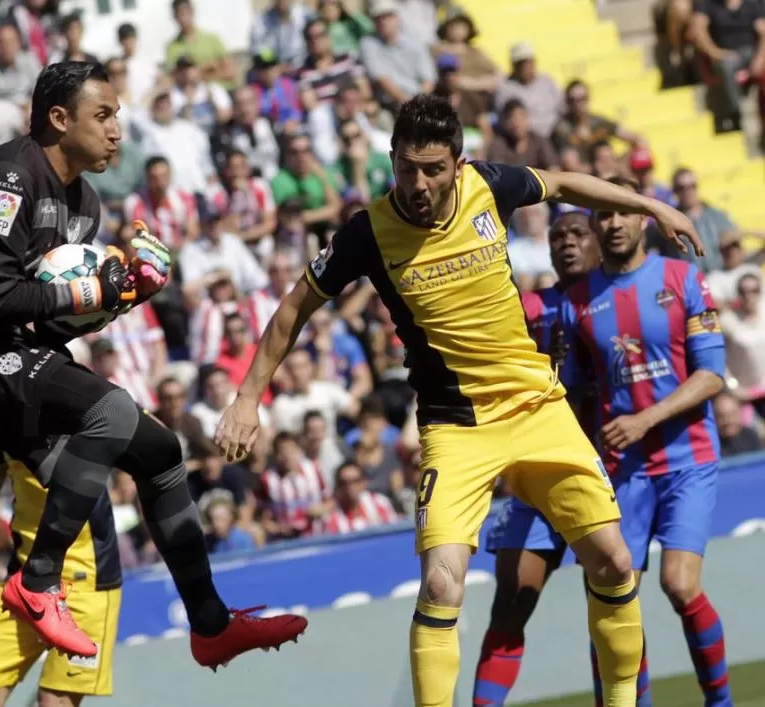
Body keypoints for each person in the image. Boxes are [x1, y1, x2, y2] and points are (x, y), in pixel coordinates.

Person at [215, 93, 704, 707]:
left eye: (434, 169)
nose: (418, 184)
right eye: (407, 168)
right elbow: (293, 308)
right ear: (391, 159)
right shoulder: (368, 232)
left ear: (458, 163)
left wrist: (651, 205)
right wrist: (246, 400)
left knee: (612, 560)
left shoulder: (488, 186)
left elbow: (561, 183)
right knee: (442, 583)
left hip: (536, 407)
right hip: (457, 427)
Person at [0, 61, 306, 664]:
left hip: (8, 350)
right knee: (111, 412)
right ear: (59, 120)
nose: (118, 130)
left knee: (161, 450)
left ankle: (211, 625)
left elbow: (53, 320)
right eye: (104, 115)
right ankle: (36, 583)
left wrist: (123, 296)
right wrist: (91, 291)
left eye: (117, 114)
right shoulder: (9, 178)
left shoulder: (85, 203)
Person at [558, 176, 731, 707]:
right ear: (593, 224)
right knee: (613, 603)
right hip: (620, 471)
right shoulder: (577, 301)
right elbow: (568, 388)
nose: (612, 223)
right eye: (602, 215)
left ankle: (720, 703)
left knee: (680, 585)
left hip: (687, 459)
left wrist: (644, 419)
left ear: (642, 218)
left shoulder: (683, 279)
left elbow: (712, 376)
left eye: (621, 213)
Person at [471, 212, 652, 707]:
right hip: (536, 472)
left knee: (613, 602)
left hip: (609, 474)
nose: (566, 244)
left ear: (598, 243)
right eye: (557, 238)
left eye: (577, 234)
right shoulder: (530, 308)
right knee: (510, 602)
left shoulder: (620, 301)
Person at [0, 448, 121, 707]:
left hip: (86, 581)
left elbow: (150, 437)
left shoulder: (87, 409)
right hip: (23, 582)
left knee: (55, 703)